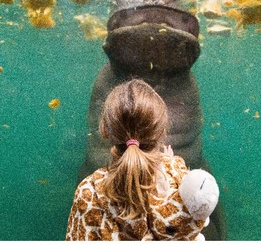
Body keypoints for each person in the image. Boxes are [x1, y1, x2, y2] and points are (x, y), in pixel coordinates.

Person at [65, 79, 205, 240]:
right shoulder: (182, 184)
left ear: (104, 130)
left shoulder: (89, 192)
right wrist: (173, 169)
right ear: (161, 132)